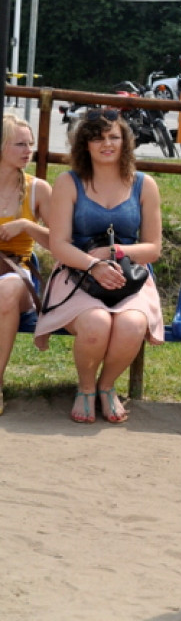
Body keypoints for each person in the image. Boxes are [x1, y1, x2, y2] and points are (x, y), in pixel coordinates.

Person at [34, 109, 164, 424]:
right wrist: (94, 264)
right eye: (97, 138)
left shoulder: (145, 185)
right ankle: (86, 388)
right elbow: (59, 244)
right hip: (77, 273)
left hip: (129, 276)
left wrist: (114, 252)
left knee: (131, 326)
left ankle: (107, 387)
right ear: (85, 145)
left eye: (113, 137)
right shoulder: (68, 182)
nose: (106, 144)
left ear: (125, 142)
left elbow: (153, 249)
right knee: (96, 324)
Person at [0, 114, 52, 414]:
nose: (28, 150)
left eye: (30, 144)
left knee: (6, 291)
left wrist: (27, 226)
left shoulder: (37, 189)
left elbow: (61, 242)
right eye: (20, 144)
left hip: (15, 271)